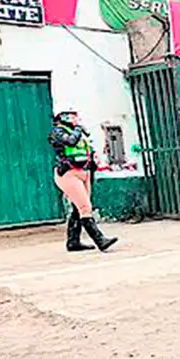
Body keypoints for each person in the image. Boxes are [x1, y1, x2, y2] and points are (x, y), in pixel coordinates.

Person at [48, 108, 117, 252]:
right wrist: (78, 129)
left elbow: (86, 150)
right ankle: (100, 240)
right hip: (68, 173)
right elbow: (70, 142)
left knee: (77, 208)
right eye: (72, 116)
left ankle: (73, 242)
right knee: (85, 207)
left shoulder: (77, 132)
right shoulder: (58, 132)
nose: (75, 119)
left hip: (84, 172)